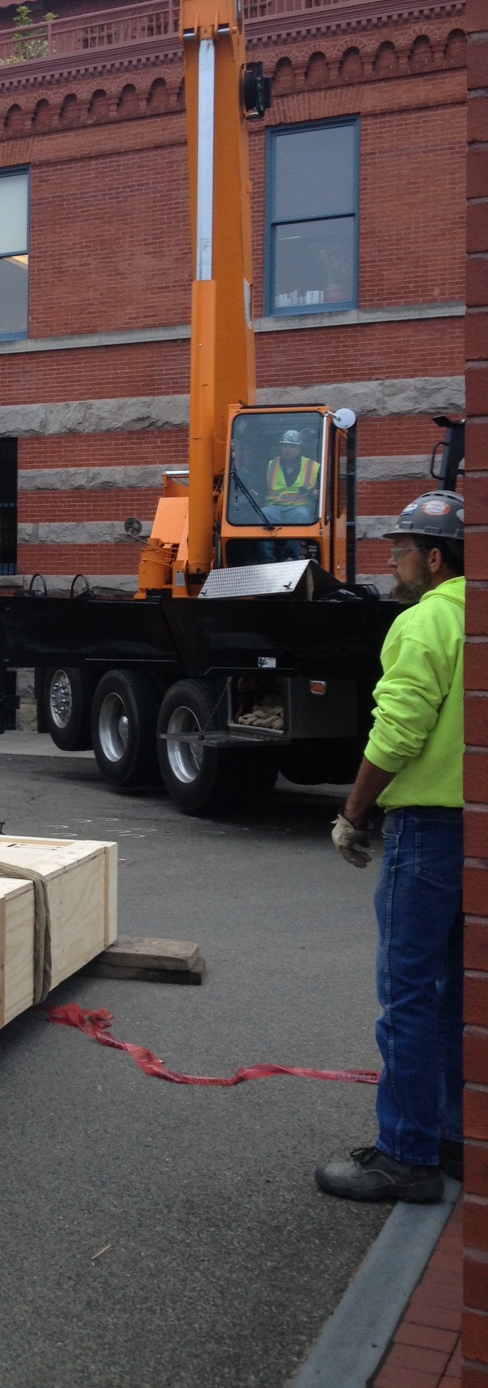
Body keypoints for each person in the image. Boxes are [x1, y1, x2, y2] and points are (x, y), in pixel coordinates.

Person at [318, 490, 465, 1204]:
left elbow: (400, 730)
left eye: (402, 549)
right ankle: (455, 1135)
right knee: (463, 992)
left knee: (407, 993)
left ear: (435, 558)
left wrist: (354, 811)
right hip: (476, 825)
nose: (392, 560)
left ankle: (406, 1155)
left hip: (429, 832)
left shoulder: (427, 619)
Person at [263, 428, 320, 527]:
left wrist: (316, 492)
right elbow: (260, 488)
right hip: (274, 507)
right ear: (280, 448)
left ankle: (296, 542)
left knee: (301, 514)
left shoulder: (313, 466)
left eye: (292, 446)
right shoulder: (270, 464)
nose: (288, 449)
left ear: (299, 449)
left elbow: (321, 488)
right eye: (285, 446)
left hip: (299, 507)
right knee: (263, 513)